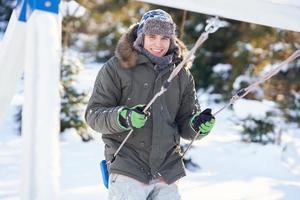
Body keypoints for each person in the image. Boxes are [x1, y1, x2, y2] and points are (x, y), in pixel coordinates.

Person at [85, 9, 215, 200]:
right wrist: (123, 116)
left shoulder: (182, 75)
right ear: (140, 36)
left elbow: (186, 124)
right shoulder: (116, 67)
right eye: (152, 36)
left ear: (171, 40)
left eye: (164, 37)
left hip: (167, 170)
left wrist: (197, 126)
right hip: (127, 167)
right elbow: (93, 115)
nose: (158, 43)